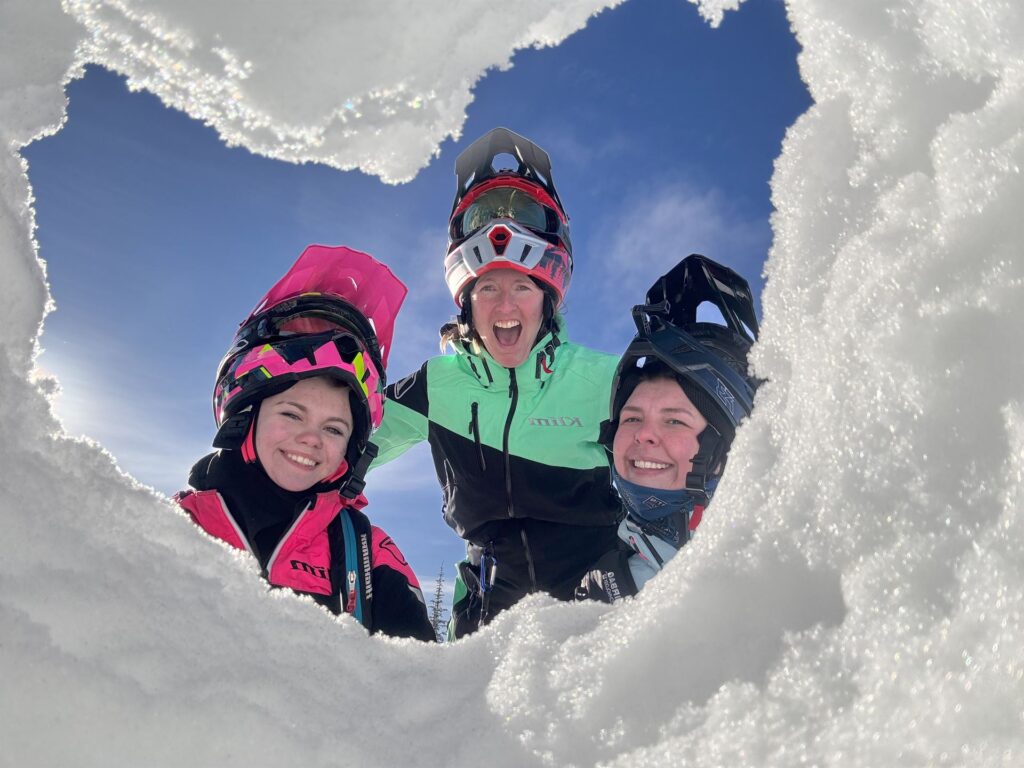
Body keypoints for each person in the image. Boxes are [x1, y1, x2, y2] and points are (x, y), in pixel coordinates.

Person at [370, 127, 621, 637]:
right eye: (488, 288)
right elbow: (344, 437)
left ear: (547, 299)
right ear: (467, 302)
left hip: (602, 620)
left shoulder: (605, 380)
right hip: (484, 631)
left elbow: (690, 449)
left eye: (523, 287)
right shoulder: (436, 387)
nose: (505, 307)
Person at [176, 244, 436, 641]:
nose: (311, 439)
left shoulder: (369, 555)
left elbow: (424, 687)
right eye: (291, 414)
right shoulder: (174, 525)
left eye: (334, 429)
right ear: (247, 414)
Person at [576, 254, 761, 602]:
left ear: (724, 448)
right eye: (631, 418)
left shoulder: (783, 562)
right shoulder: (601, 591)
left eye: (674, 420)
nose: (643, 434)